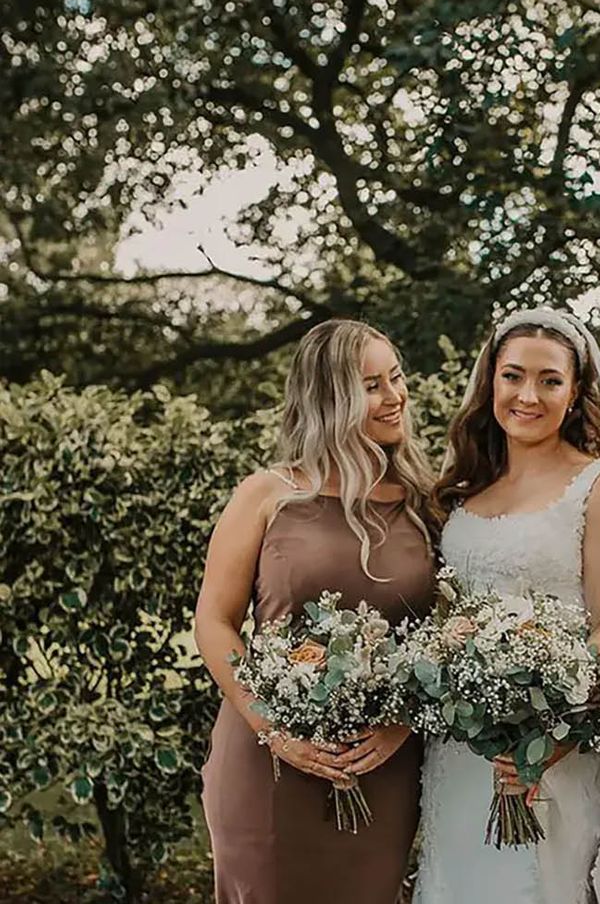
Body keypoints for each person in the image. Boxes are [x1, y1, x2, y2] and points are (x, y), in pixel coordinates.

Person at [196, 319, 436, 904]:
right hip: (269, 764)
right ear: (329, 399)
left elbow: (444, 634)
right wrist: (274, 730)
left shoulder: (425, 503)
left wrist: (402, 723)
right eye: (371, 386)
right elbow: (214, 622)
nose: (395, 396)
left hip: (382, 766)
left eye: (396, 377)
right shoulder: (267, 493)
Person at [413, 307, 600, 904]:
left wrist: (548, 733)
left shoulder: (599, 488)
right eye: (513, 376)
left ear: (575, 393)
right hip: (460, 747)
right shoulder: (468, 486)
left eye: (550, 380)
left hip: (553, 746)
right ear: (491, 380)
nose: (528, 396)